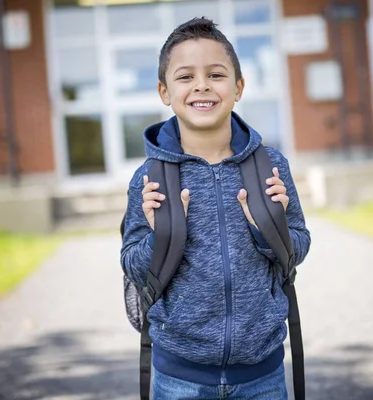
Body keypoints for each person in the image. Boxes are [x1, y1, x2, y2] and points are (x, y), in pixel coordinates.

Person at [120, 17, 311, 399]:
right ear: (164, 91)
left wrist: (266, 228)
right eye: (186, 76)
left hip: (262, 374)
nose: (202, 85)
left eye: (216, 74)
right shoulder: (150, 177)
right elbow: (132, 266)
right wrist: (159, 236)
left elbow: (298, 247)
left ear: (238, 87)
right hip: (179, 377)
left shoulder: (269, 166)